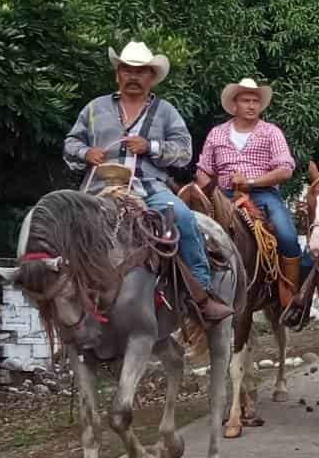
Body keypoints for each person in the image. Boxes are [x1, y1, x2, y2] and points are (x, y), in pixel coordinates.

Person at [63, 41, 232, 321]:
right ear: (118, 74)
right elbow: (71, 143)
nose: (133, 76)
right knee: (63, 223)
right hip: (97, 190)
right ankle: (64, 294)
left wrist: (150, 146)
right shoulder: (94, 108)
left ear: (151, 77)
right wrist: (85, 152)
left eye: (140, 71)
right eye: (127, 70)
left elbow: (184, 152)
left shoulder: (166, 112)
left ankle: (200, 295)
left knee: (184, 219)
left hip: (150, 189)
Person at [195, 78, 308, 300]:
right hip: (223, 195)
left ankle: (289, 296)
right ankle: (197, 291)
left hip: (263, 195)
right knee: (194, 231)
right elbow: (203, 170)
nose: (251, 105)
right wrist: (206, 192)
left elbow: (285, 169)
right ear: (234, 105)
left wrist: (252, 182)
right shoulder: (216, 133)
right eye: (246, 100)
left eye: (255, 101)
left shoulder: (271, 132)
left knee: (287, 235)